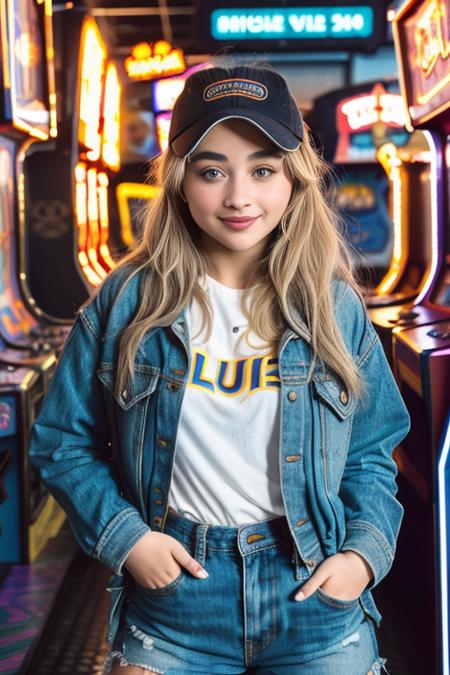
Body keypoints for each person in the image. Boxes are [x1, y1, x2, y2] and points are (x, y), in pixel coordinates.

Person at [28, 63, 410, 675]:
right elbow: (62, 442)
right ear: (180, 182)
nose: (238, 197)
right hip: (175, 599)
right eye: (212, 171)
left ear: (295, 180)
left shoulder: (333, 306)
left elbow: (370, 452)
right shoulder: (127, 299)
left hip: (313, 589)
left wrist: (363, 557)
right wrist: (128, 540)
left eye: (263, 170)